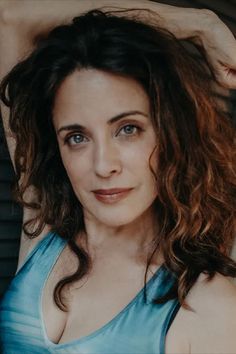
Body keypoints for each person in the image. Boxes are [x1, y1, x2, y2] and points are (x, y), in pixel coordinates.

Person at [0, 1, 236, 353]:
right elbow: (10, 18)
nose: (103, 165)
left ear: (171, 134)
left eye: (128, 129)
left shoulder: (207, 303)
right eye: (77, 137)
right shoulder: (44, 226)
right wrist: (197, 24)